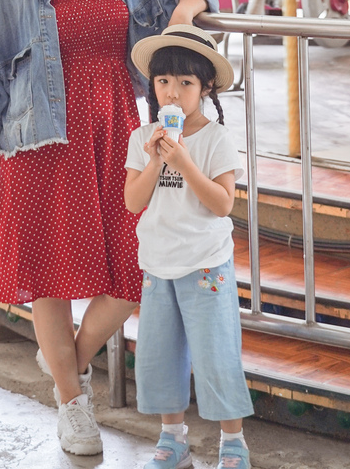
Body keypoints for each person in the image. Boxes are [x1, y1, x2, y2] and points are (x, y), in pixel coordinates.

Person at [0, 0, 218, 456]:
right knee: (48, 277)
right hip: (37, 142)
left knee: (135, 271)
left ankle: (63, 376)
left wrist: (183, 16)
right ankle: (74, 405)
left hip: (114, 135)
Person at [125, 24, 254, 469]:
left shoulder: (216, 138)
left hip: (205, 265)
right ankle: (172, 437)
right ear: (152, 86)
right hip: (158, 264)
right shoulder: (142, 139)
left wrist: (184, 161)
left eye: (185, 83)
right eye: (164, 82)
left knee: (216, 352)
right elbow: (133, 200)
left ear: (206, 86)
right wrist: (158, 159)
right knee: (159, 353)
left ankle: (233, 443)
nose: (173, 93)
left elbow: (222, 203)